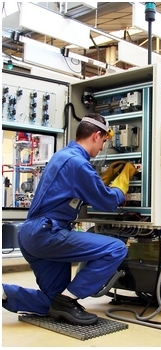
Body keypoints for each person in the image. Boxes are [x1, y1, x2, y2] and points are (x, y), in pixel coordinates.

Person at [2, 113, 136, 325]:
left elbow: (79, 189)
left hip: (30, 235)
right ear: (96, 136)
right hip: (47, 233)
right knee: (116, 248)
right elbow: (107, 201)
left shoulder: (63, 156)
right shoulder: (78, 164)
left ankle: (5, 293)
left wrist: (104, 178)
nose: (102, 148)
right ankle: (68, 300)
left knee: (52, 303)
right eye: (103, 142)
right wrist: (122, 183)